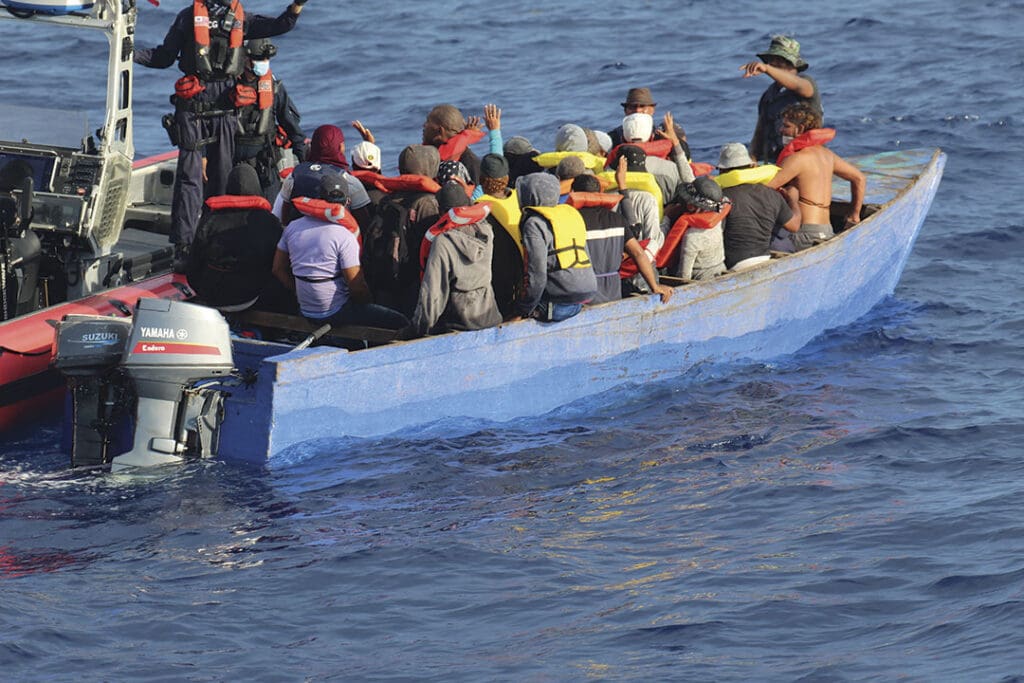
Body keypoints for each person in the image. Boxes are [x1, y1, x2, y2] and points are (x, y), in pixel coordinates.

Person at [134, 0, 306, 254]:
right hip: (195, 107)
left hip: (224, 108)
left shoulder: (228, 19)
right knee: (191, 177)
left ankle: (215, 240)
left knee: (222, 176)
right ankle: (185, 244)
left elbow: (162, 58)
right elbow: (162, 57)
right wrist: (130, 52)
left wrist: (296, 6)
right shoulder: (189, 19)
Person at [271, 169, 408, 332]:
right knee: (399, 321)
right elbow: (357, 287)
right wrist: (369, 303)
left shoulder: (292, 228)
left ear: (319, 199)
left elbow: (278, 269)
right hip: (336, 311)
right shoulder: (344, 235)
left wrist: (299, 292)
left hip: (305, 309)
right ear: (347, 202)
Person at [401, 184, 502, 338]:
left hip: (458, 325)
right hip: (490, 316)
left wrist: (418, 329)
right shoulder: (486, 230)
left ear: (442, 212)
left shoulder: (443, 242)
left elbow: (433, 294)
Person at [185, 164, 284, 312]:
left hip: (213, 295)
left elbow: (193, 265)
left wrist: (202, 290)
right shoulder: (270, 222)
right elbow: (277, 268)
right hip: (250, 296)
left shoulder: (210, 219)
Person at [767, 104, 866, 251]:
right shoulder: (827, 155)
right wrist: (854, 215)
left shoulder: (797, 159)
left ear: (800, 129)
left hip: (802, 234)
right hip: (826, 230)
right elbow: (859, 178)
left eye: (786, 126)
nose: (781, 130)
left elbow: (764, 188)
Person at [566, 174, 672, 305]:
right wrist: (654, 286)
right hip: (613, 294)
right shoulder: (616, 219)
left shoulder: (571, 221)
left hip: (584, 296)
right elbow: (638, 253)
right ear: (600, 193)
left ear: (573, 193)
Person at [512, 173, 597, 323]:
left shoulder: (534, 223)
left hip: (556, 306)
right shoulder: (572, 215)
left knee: (511, 311)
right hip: (584, 298)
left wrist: (523, 309)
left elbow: (536, 275)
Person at [233, 38, 306, 202]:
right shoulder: (228, 87)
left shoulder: (274, 89)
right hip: (232, 163)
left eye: (266, 59)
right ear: (245, 58)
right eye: (259, 59)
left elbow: (292, 127)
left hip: (264, 163)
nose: (264, 63)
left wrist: (303, 161)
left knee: (270, 209)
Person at [714, 142, 801, 270]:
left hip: (733, 265)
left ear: (722, 170)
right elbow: (795, 225)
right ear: (751, 166)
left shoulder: (721, 197)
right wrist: (793, 200)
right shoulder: (771, 194)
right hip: (764, 258)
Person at [273, 124, 374, 229]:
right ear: (340, 147)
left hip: (297, 238)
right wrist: (369, 146)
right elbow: (365, 224)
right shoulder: (350, 182)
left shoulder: (293, 177)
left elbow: (283, 217)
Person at [741, 35, 823, 164]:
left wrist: (767, 69)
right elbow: (760, 132)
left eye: (778, 60)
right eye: (770, 60)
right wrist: (752, 159)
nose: (772, 63)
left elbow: (798, 85)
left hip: (806, 157)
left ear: (791, 62)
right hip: (777, 159)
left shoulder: (806, 83)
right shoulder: (768, 96)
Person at [475, 153, 524, 317]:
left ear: (481, 180)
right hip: (526, 274)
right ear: (507, 178)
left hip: (500, 278)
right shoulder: (520, 198)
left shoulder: (480, 209)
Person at [662, 178, 728, 281]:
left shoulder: (692, 237)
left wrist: (666, 218)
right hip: (720, 268)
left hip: (700, 278)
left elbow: (684, 277)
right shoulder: (717, 220)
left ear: (691, 206)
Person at [608, 87, 691, 159]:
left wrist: (674, 141)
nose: (637, 111)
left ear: (652, 110)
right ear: (625, 111)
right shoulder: (613, 137)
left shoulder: (663, 135)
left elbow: (685, 159)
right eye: (632, 107)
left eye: (642, 106)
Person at [422, 104, 482, 183]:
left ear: (440, 131)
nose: (424, 125)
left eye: (428, 122)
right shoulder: (429, 155)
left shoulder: (470, 163)